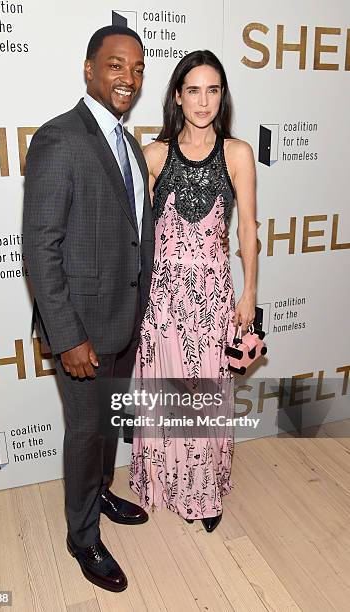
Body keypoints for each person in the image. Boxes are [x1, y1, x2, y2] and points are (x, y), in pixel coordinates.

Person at [23, 26, 156, 593]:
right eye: (115, 66)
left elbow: (133, 236)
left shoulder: (127, 142)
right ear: (89, 68)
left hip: (124, 320)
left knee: (107, 427)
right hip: (80, 328)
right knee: (84, 433)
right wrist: (67, 335)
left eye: (138, 68)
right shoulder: (59, 138)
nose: (128, 78)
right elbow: (39, 249)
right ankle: (82, 536)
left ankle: (101, 492)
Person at [130, 50, 257, 533]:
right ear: (178, 97)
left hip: (213, 298)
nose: (204, 101)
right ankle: (163, 483)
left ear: (222, 96)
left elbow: (247, 229)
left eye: (214, 90)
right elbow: (134, 235)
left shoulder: (237, 153)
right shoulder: (154, 155)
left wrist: (248, 295)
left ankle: (204, 492)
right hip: (162, 302)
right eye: (194, 90)